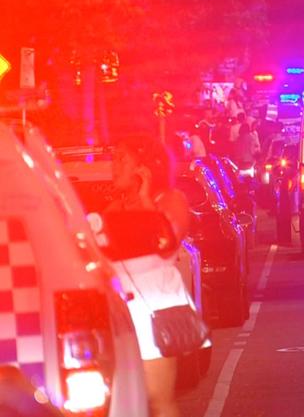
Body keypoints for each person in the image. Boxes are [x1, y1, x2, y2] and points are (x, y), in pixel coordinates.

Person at [108, 135, 190, 417]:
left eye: (122, 158)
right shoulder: (114, 209)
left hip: (154, 315)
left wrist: (144, 200)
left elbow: (166, 244)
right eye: (113, 158)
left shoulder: (171, 199)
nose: (114, 166)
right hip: (119, 316)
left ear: (144, 168)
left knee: (158, 398)